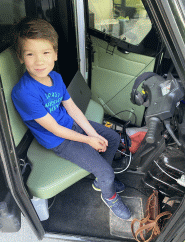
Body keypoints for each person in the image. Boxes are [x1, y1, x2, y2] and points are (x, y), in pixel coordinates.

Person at [11, 17, 131, 220]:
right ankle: (108, 193)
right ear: (21, 57)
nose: (39, 61)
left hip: (70, 124)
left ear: (55, 54)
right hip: (58, 140)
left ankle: (100, 178)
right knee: (107, 172)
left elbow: (72, 108)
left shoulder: (55, 78)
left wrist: (93, 133)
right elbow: (56, 130)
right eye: (30, 54)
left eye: (45, 53)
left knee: (111, 138)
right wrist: (89, 140)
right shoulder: (24, 93)